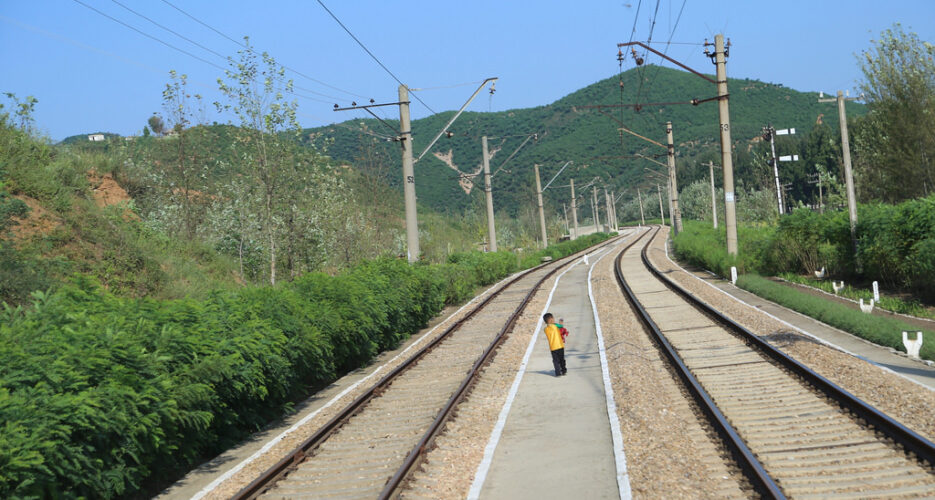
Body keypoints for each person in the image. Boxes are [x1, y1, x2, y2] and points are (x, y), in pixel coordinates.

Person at [542, 313, 567, 377]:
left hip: (553, 347)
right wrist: (561, 323)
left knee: (555, 360)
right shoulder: (555, 326)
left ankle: (558, 373)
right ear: (551, 320)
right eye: (553, 318)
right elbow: (561, 326)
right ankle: (563, 370)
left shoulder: (545, 329)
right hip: (560, 346)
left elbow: (552, 326)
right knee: (561, 359)